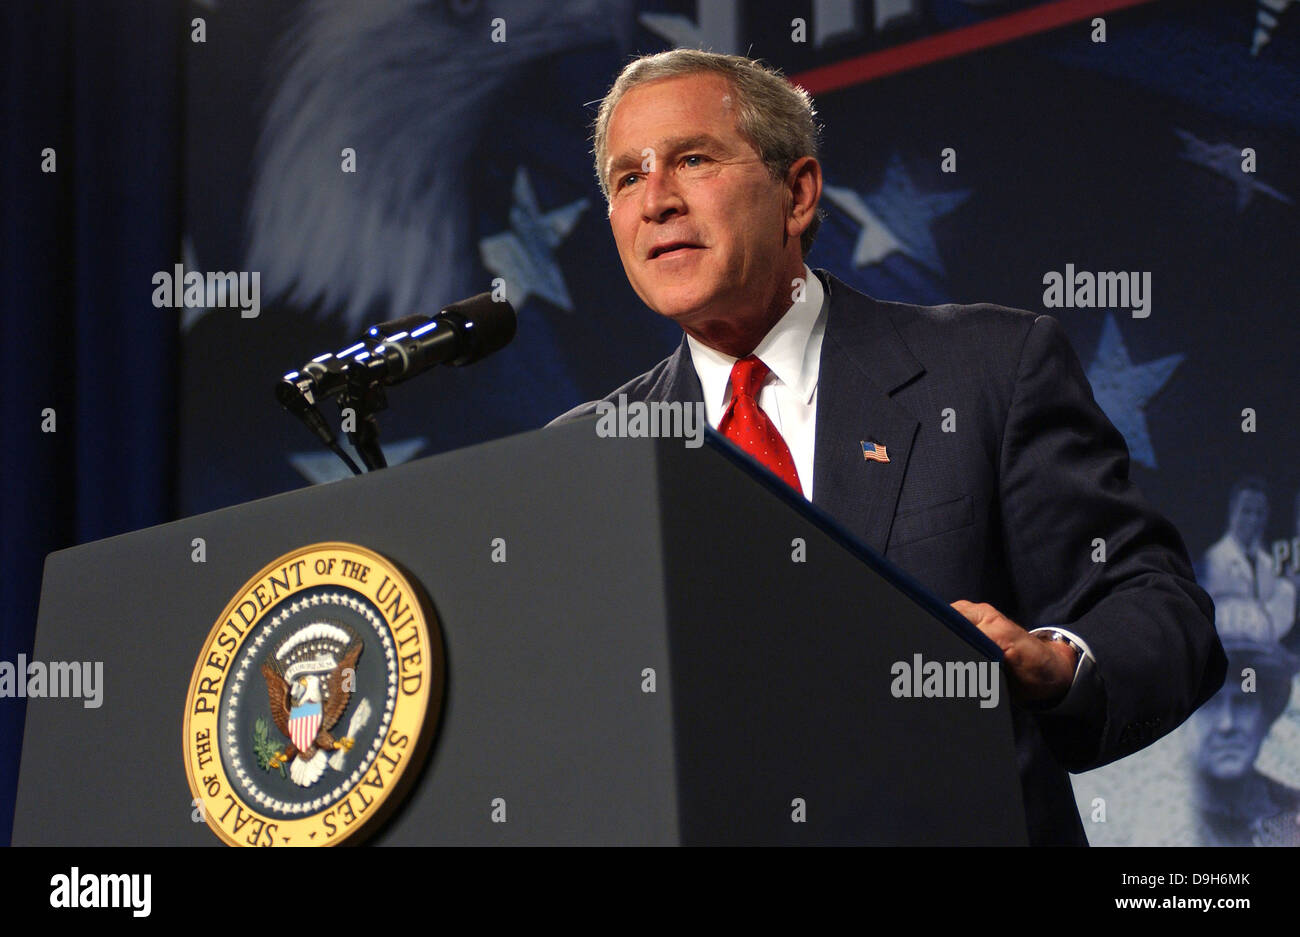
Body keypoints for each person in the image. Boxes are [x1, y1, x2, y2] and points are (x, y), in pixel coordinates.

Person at [550, 49, 1226, 845]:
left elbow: (1157, 606)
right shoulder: (589, 456)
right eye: (629, 177)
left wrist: (1052, 660)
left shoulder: (988, 370)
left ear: (797, 194)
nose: (656, 200)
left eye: (692, 159)